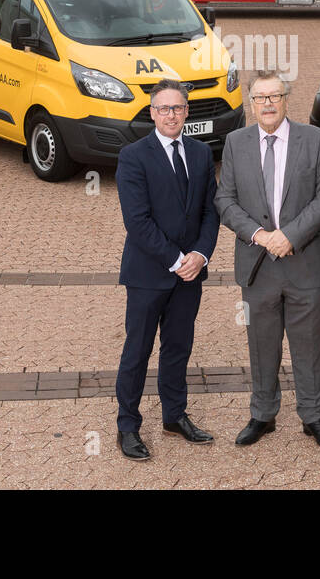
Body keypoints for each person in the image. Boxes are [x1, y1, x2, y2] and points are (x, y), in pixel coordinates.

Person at [215, 71, 320, 450]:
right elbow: (225, 200)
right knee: (261, 343)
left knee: (308, 344)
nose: (267, 104)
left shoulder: (316, 139)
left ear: (286, 99)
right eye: (259, 98)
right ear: (251, 104)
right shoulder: (235, 143)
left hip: (305, 262)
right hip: (258, 264)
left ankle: (313, 416)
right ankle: (263, 414)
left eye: (275, 96)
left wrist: (290, 235)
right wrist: (260, 235)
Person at [114, 78, 219, 461]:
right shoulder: (133, 156)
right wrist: (177, 260)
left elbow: (211, 211)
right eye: (163, 108)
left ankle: (174, 416)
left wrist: (201, 256)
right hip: (148, 275)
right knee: (137, 351)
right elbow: (137, 222)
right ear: (152, 112)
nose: (170, 115)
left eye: (177, 108)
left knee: (178, 348)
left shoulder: (201, 154)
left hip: (190, 275)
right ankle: (128, 425)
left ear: (187, 111)